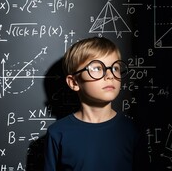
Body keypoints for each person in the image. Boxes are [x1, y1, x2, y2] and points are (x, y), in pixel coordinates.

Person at [44, 36, 142, 171]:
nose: (110, 75)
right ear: (74, 82)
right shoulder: (57, 133)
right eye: (96, 68)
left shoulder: (132, 131)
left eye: (115, 68)